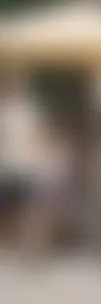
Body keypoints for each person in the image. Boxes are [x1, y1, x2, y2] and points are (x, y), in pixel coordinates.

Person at [0, 68, 45, 252]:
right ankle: (7, 241)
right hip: (6, 165)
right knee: (7, 206)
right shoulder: (5, 111)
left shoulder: (28, 111)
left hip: (23, 165)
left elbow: (37, 137)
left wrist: (36, 162)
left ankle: (20, 242)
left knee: (23, 206)